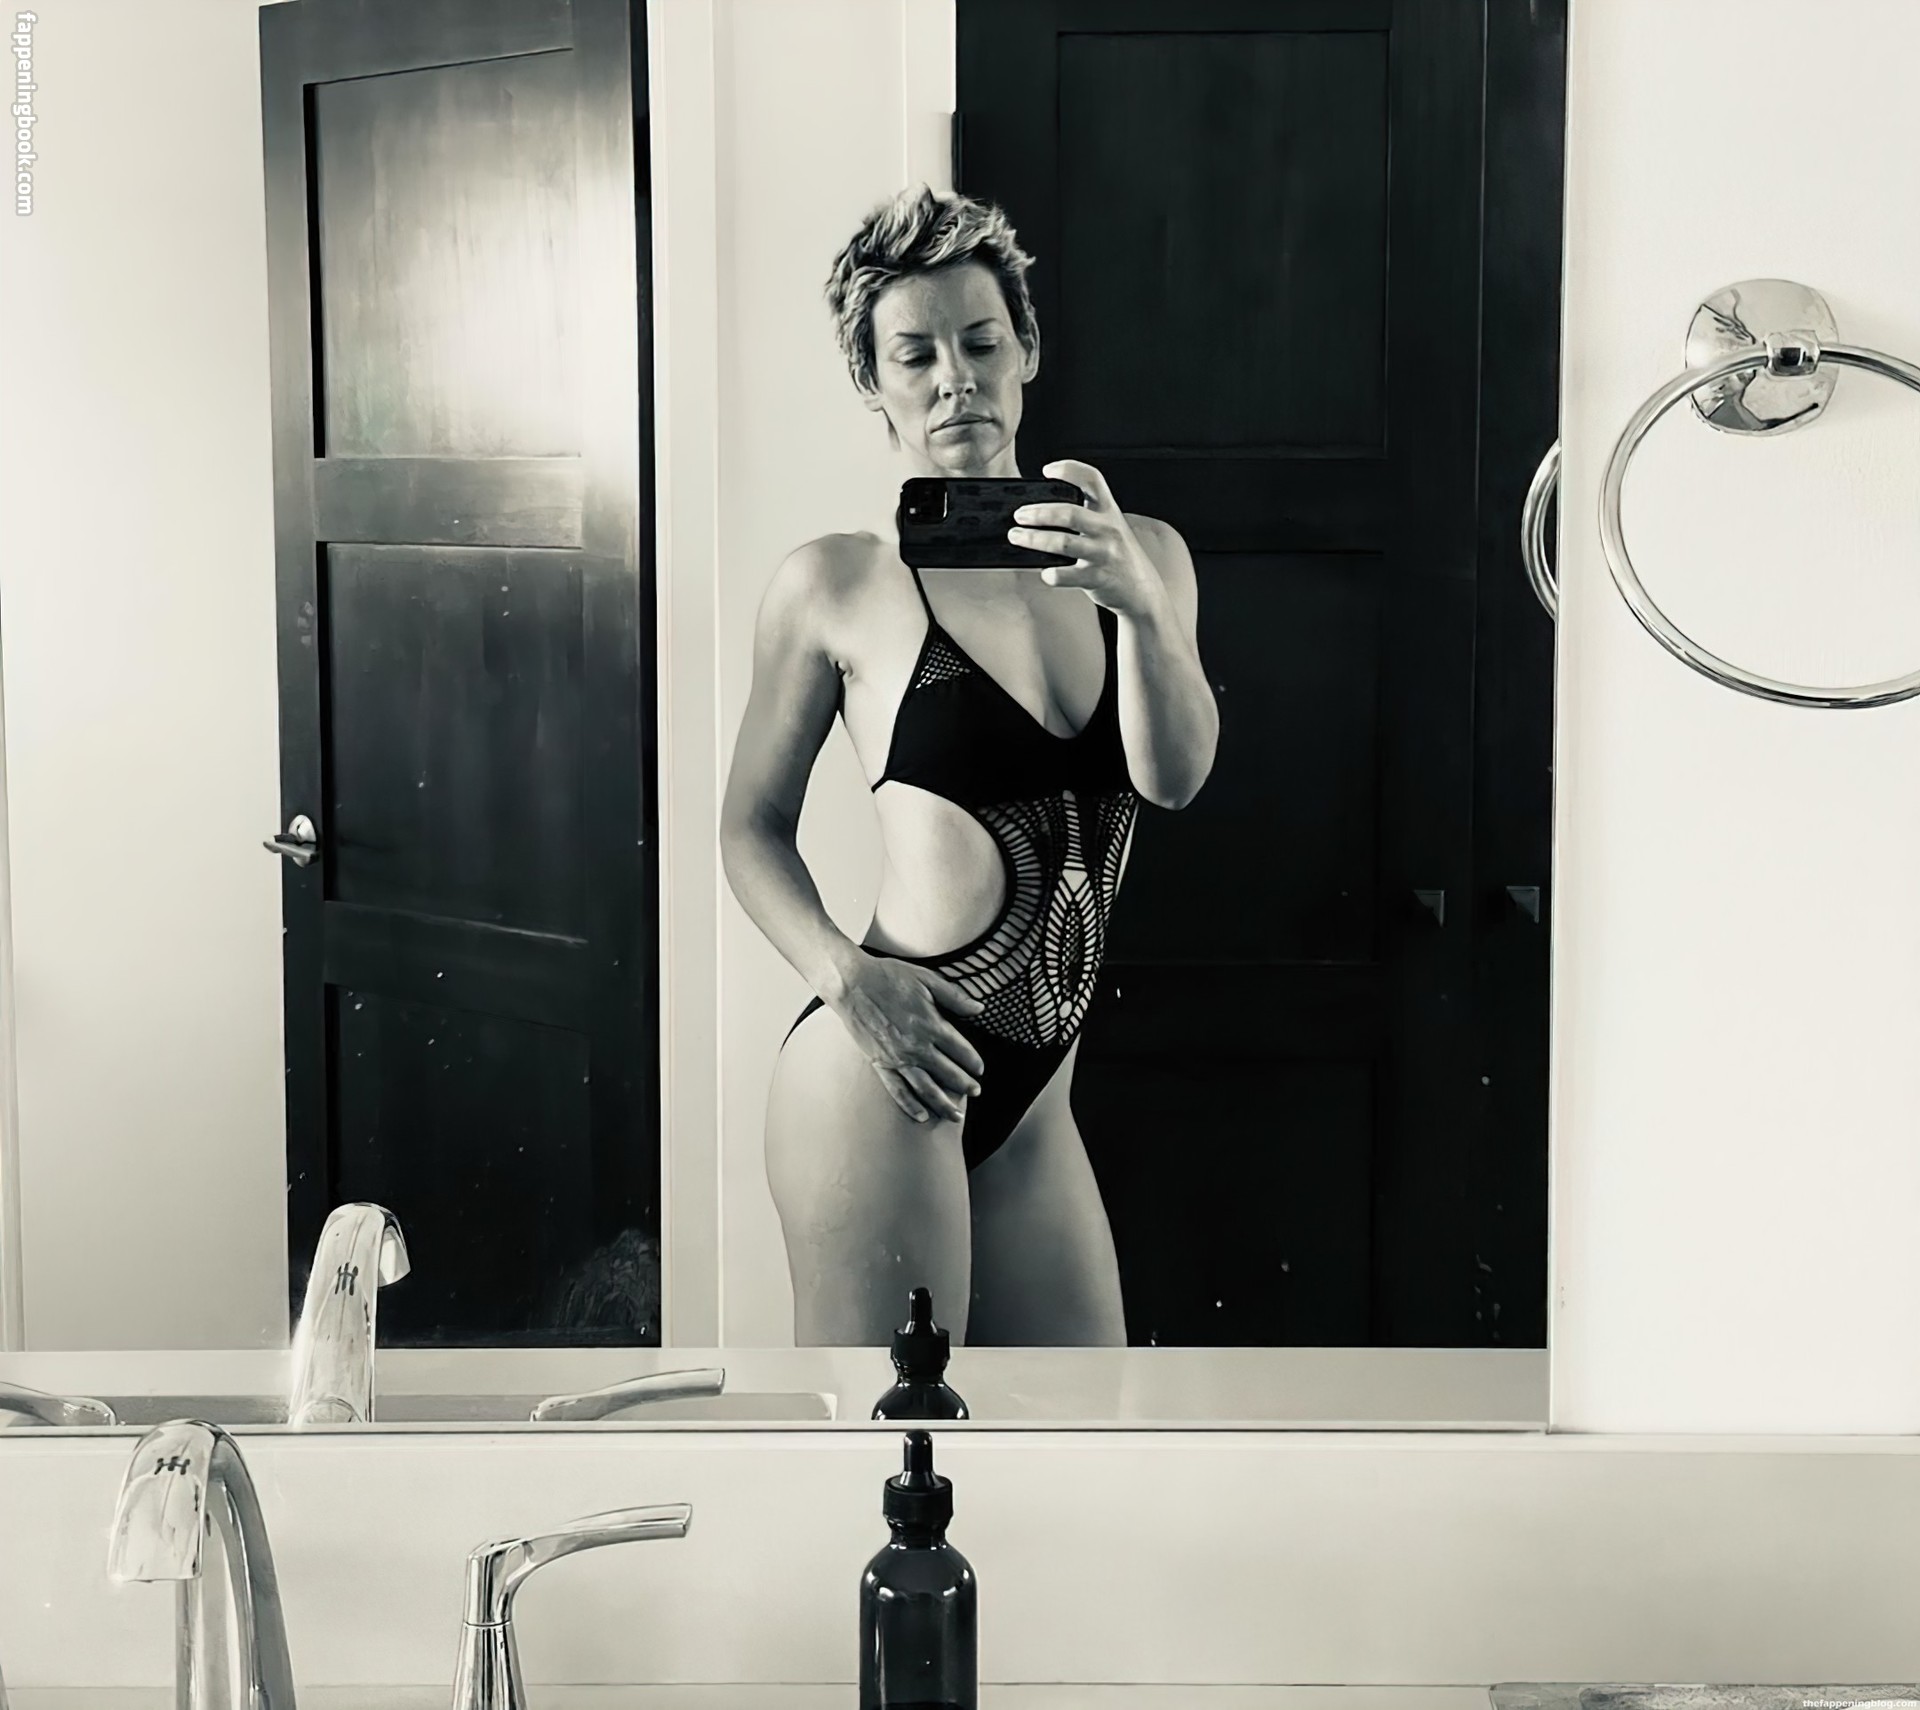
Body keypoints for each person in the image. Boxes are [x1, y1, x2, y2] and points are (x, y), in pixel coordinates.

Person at [720, 186, 1218, 1347]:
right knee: (886, 1431)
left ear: (1026, 351)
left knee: (1085, 1425)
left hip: (1038, 1104)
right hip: (885, 1072)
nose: (956, 380)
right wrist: (848, 980)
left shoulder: (1143, 555)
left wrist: (1141, 608)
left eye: (983, 343)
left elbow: (1176, 778)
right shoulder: (836, 584)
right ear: (872, 381)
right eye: (916, 356)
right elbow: (747, 826)